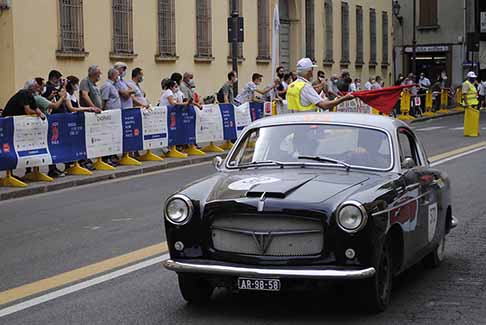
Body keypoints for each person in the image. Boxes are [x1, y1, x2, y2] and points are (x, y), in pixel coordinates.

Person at [286, 57, 353, 113]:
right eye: (312, 70)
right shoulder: (305, 87)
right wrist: (344, 98)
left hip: (293, 123)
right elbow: (324, 106)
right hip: (306, 122)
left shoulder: (291, 86)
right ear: (309, 72)